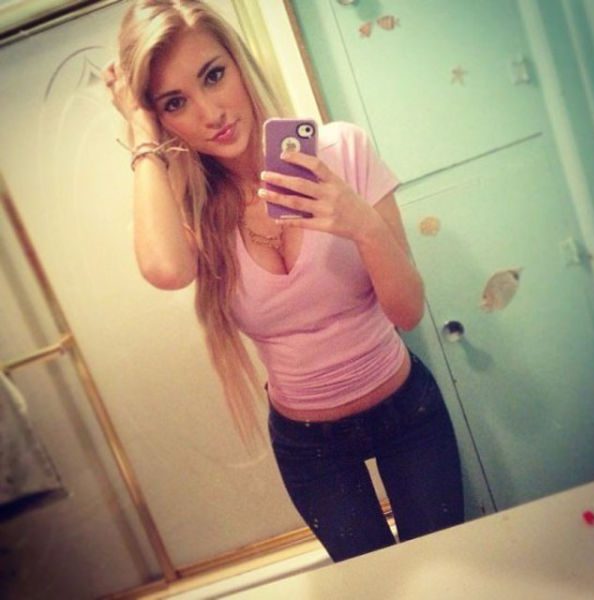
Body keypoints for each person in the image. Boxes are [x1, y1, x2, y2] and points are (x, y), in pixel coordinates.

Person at [104, 0, 464, 563]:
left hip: (406, 413)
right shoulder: (192, 212)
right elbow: (166, 270)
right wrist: (139, 128)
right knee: (375, 588)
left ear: (239, 63)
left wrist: (360, 223)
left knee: (448, 571)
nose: (210, 113)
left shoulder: (341, 150)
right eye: (175, 102)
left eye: (213, 75)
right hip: (311, 447)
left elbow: (408, 311)